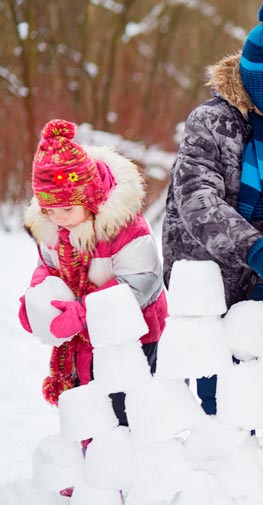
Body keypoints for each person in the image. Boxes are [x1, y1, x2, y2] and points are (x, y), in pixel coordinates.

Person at [161, 0, 263, 413]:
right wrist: (255, 250)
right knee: (218, 395)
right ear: (262, 85)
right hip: (207, 273)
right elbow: (196, 197)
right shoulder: (211, 123)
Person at [18, 118, 168, 425]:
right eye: (50, 210)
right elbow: (47, 268)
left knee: (126, 414)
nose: (59, 219)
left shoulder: (126, 228)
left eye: (67, 209)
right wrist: (38, 302)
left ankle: (131, 467)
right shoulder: (52, 229)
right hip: (80, 340)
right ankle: (92, 463)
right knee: (88, 411)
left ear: (89, 197)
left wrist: (83, 313)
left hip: (134, 338)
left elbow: (141, 283)